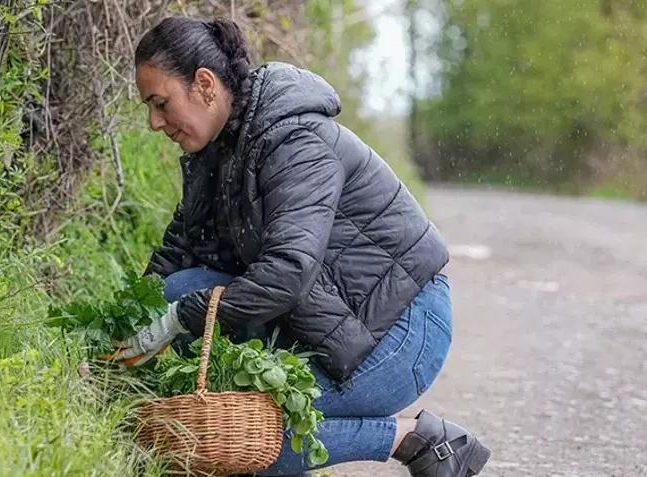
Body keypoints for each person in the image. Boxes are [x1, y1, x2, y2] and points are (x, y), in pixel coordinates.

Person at [109, 16, 491, 477]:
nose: (154, 122)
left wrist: (178, 318)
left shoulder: (294, 140)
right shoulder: (218, 148)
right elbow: (181, 251)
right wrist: (122, 333)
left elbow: (289, 270)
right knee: (179, 286)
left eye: (160, 103)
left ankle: (414, 438)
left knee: (248, 446)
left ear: (204, 85)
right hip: (330, 323)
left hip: (401, 332)